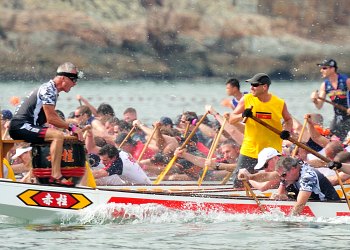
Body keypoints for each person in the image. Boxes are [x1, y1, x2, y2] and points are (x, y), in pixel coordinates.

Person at [9, 62, 83, 186]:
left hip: (26, 125)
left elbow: (49, 119)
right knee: (57, 136)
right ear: (63, 78)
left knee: (56, 137)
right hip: (20, 126)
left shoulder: (51, 89)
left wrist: (70, 127)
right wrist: (72, 127)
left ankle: (34, 177)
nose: (75, 83)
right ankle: (55, 175)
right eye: (73, 79)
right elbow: (51, 119)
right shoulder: (49, 90)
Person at [228, 73, 293, 187]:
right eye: (251, 85)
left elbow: (288, 120)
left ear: (265, 87)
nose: (251, 88)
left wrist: (286, 131)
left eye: (255, 85)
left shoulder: (279, 103)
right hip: (250, 149)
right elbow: (231, 119)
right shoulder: (247, 99)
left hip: (271, 151)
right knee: (240, 181)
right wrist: (242, 115)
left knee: (276, 181)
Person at [274, 156, 340, 216]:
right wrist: (283, 194)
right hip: (317, 207)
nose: (283, 179)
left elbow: (299, 206)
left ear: (293, 169)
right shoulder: (294, 170)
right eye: (281, 176)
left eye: (284, 175)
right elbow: (279, 195)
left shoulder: (307, 176)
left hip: (330, 208)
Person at [310, 59, 350, 141]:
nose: (321, 70)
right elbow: (319, 106)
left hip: (348, 115)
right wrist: (314, 99)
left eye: (324, 68)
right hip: (338, 117)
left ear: (332, 69)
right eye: (321, 68)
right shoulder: (325, 85)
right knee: (330, 138)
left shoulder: (346, 81)